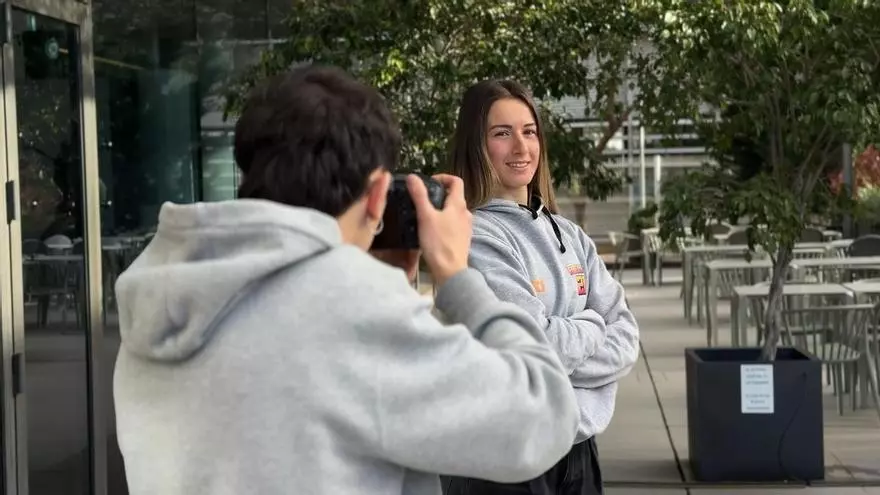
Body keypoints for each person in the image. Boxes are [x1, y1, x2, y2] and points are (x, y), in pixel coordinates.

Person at [112, 65, 581, 495]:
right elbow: (541, 418)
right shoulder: (350, 308)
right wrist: (457, 276)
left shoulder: (165, 288)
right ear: (378, 193)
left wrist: (384, 283)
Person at [445, 80, 641, 495]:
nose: (521, 147)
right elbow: (534, 346)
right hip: (505, 457)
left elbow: (626, 336)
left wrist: (554, 355)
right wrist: (593, 324)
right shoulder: (473, 235)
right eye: (502, 133)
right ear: (476, 145)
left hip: (579, 451)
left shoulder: (571, 235)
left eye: (529, 131)